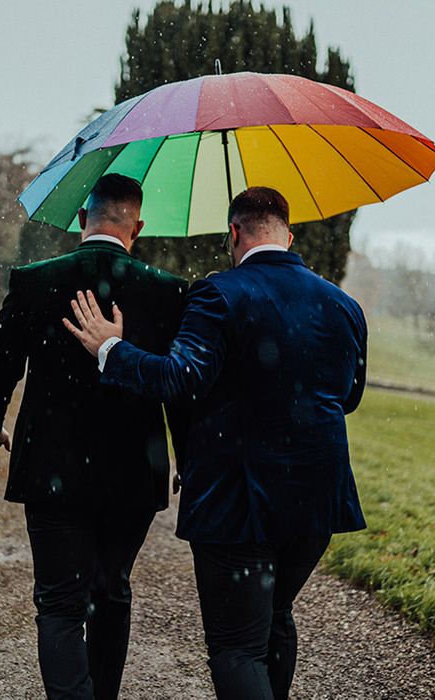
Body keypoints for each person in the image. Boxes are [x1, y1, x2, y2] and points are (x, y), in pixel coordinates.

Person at [64, 186, 368, 700]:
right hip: (318, 500)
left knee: (236, 646)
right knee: (275, 618)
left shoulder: (218, 294)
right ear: (288, 235)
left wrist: (110, 350)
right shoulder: (344, 305)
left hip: (240, 501)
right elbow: (349, 396)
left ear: (234, 232)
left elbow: (181, 378)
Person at [0, 173, 189, 700]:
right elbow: (181, 383)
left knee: (59, 603)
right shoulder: (167, 292)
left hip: (52, 469)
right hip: (134, 471)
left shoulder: (34, 280)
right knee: (111, 592)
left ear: (81, 220)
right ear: (136, 226)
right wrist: (188, 453)